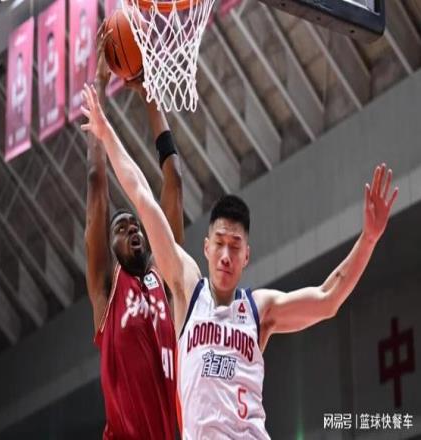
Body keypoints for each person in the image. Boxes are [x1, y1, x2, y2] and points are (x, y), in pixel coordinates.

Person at [82, 83, 399, 439]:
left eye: (235, 246)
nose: (225, 255)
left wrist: (369, 238)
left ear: (247, 255)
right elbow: (142, 197)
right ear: (205, 248)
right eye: (219, 243)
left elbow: (328, 299)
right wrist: (107, 134)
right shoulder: (186, 289)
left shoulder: (259, 309)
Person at [81, 23, 183, 440]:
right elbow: (96, 182)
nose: (132, 229)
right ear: (110, 248)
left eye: (135, 225)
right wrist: (99, 84)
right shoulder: (106, 291)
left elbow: (174, 180)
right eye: (121, 228)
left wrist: (150, 98)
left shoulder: (167, 278)